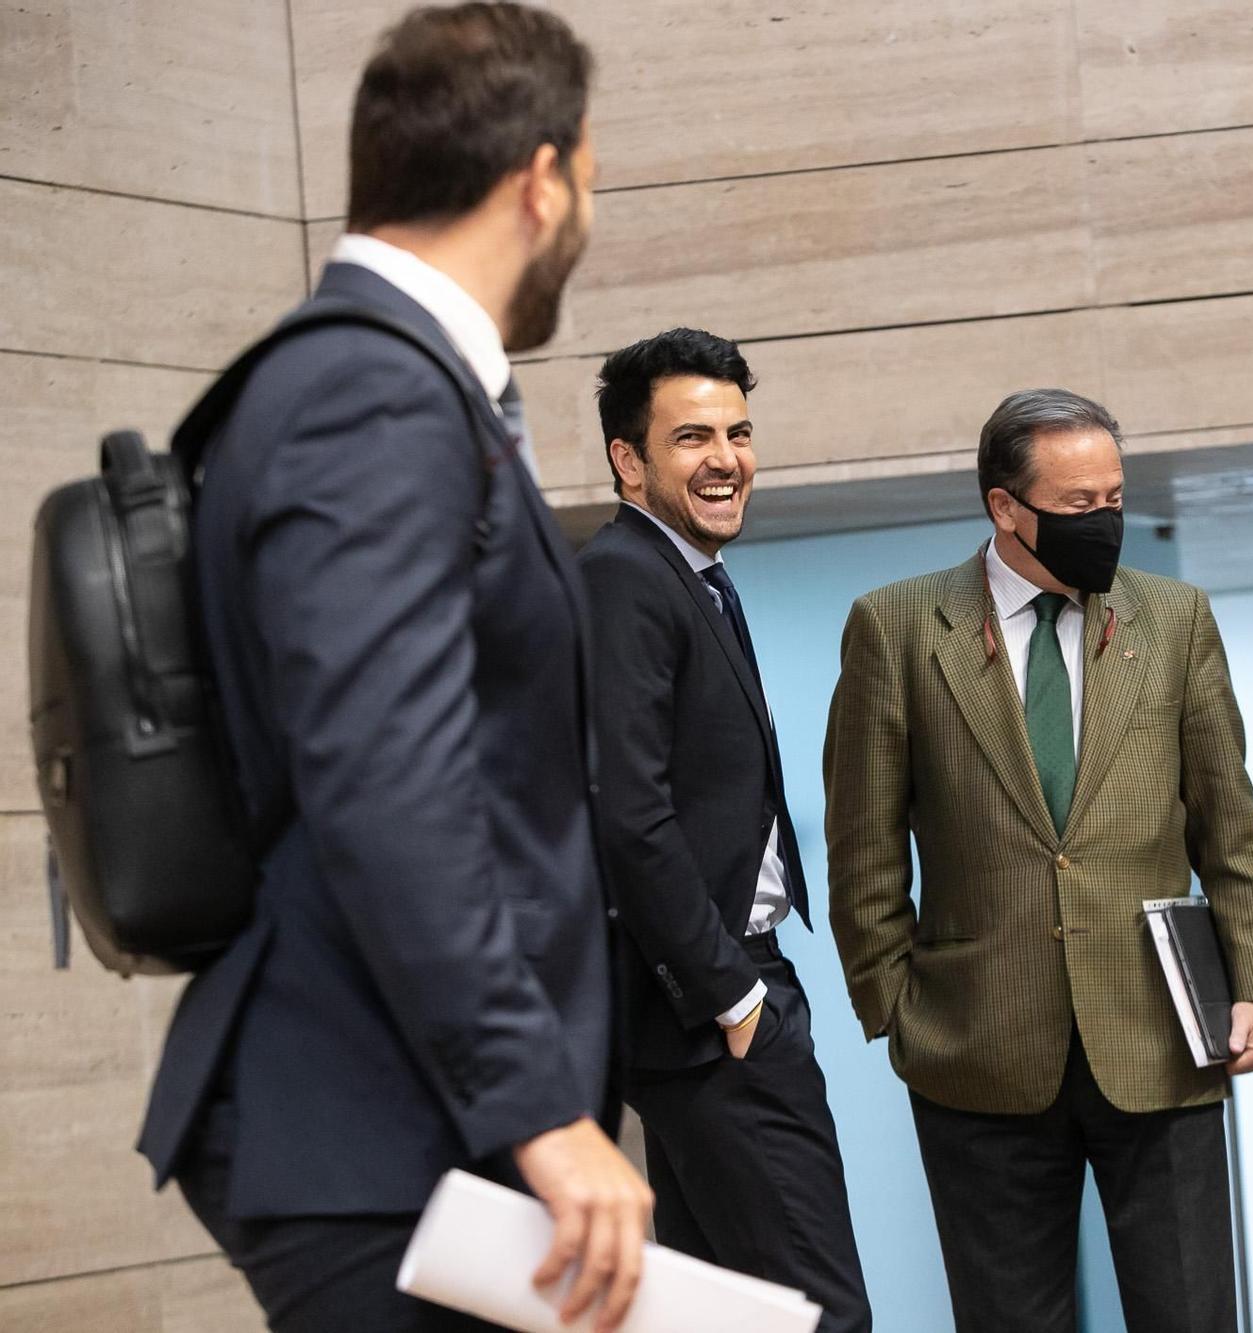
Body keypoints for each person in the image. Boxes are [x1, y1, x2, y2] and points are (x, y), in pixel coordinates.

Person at [136, 7, 651, 1330]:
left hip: (403, 1128)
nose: (587, 215)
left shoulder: (380, 382)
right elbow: (388, 778)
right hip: (378, 1133)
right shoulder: (372, 392)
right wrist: (537, 1104)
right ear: (540, 181)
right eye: (590, 180)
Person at [823, 388, 1253, 1333]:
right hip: (975, 1049)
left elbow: (1231, 827)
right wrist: (899, 1013)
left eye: (1114, 498)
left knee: (1194, 1315)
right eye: (1079, 506)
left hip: (1163, 1033)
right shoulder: (898, 626)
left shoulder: (1177, 619)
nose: (1105, 522)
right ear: (1006, 506)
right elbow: (863, 848)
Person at [577, 329, 871, 1331]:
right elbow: (630, 812)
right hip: (714, 1012)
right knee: (820, 1315)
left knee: (725, 1316)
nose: (725, 458)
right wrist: (734, 996)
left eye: (738, 432)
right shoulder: (627, 576)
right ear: (629, 459)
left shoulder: (691, 575)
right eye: (692, 436)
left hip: (712, 1010)